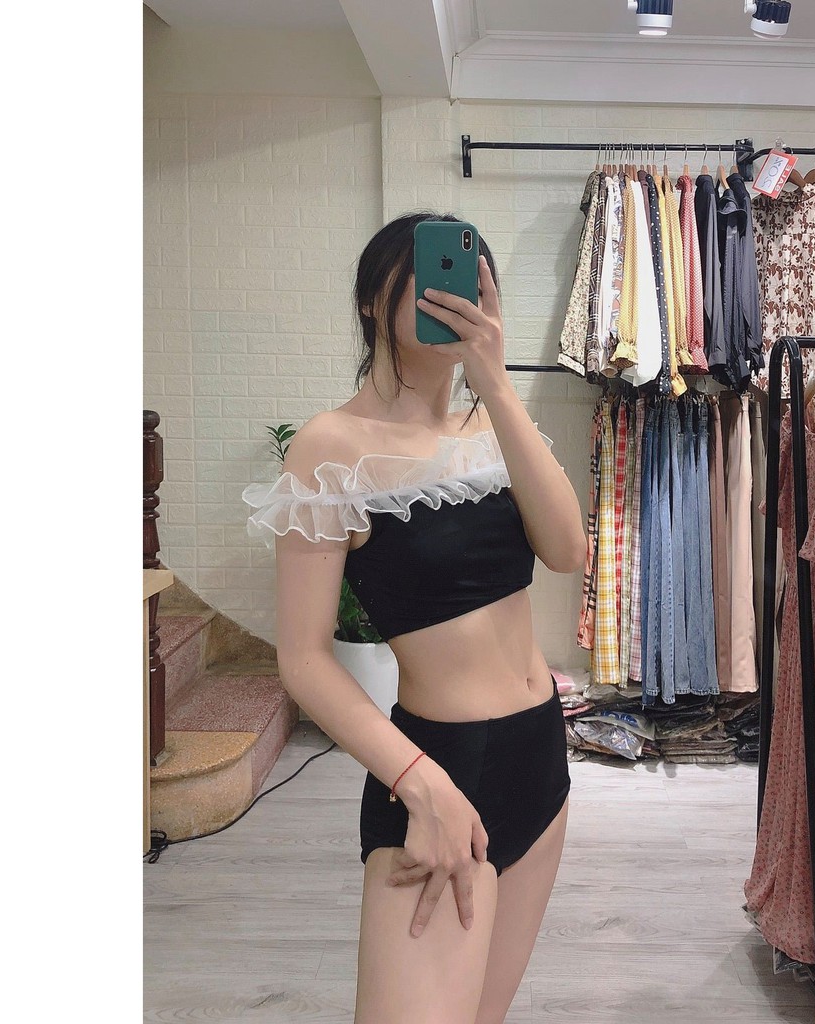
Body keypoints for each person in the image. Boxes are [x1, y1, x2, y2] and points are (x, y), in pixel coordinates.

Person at [243, 211, 586, 1024]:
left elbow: (568, 549)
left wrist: (495, 381)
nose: (452, 297)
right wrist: (421, 785)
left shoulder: (493, 426)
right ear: (373, 301)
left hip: (540, 755)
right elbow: (303, 658)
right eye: (429, 279)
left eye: (469, 282)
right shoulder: (330, 448)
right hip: (438, 765)